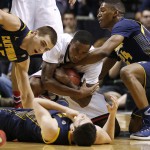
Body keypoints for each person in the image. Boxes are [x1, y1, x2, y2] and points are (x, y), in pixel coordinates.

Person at [67, 0, 150, 140]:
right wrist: (82, 86)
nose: (99, 14)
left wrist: (71, 61)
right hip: (146, 79)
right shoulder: (118, 42)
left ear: (115, 13)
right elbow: (102, 72)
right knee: (134, 129)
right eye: (99, 10)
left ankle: (149, 119)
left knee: (126, 72)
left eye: (103, 10)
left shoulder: (123, 24)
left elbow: (102, 51)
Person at [30, 30, 120, 136]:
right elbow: (46, 80)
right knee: (33, 83)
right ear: (71, 42)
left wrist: (67, 82)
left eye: (83, 53)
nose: (78, 55)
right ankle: (31, 117)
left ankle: (68, 120)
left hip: (72, 92)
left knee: (115, 130)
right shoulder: (59, 43)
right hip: (59, 86)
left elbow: (84, 101)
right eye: (76, 50)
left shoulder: (95, 62)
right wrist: (79, 92)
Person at [0, 95, 119, 146]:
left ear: (72, 129)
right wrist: (112, 114)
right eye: (87, 119)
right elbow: (108, 136)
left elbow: (36, 101)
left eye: (81, 119)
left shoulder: (52, 130)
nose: (83, 116)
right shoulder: (89, 135)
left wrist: (66, 110)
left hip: (10, 121)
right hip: (25, 113)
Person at [0, 9, 57, 108]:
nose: (41, 50)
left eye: (46, 49)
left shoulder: (23, 60)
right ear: (34, 33)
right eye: (42, 43)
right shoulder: (16, 26)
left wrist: (29, 114)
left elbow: (26, 93)